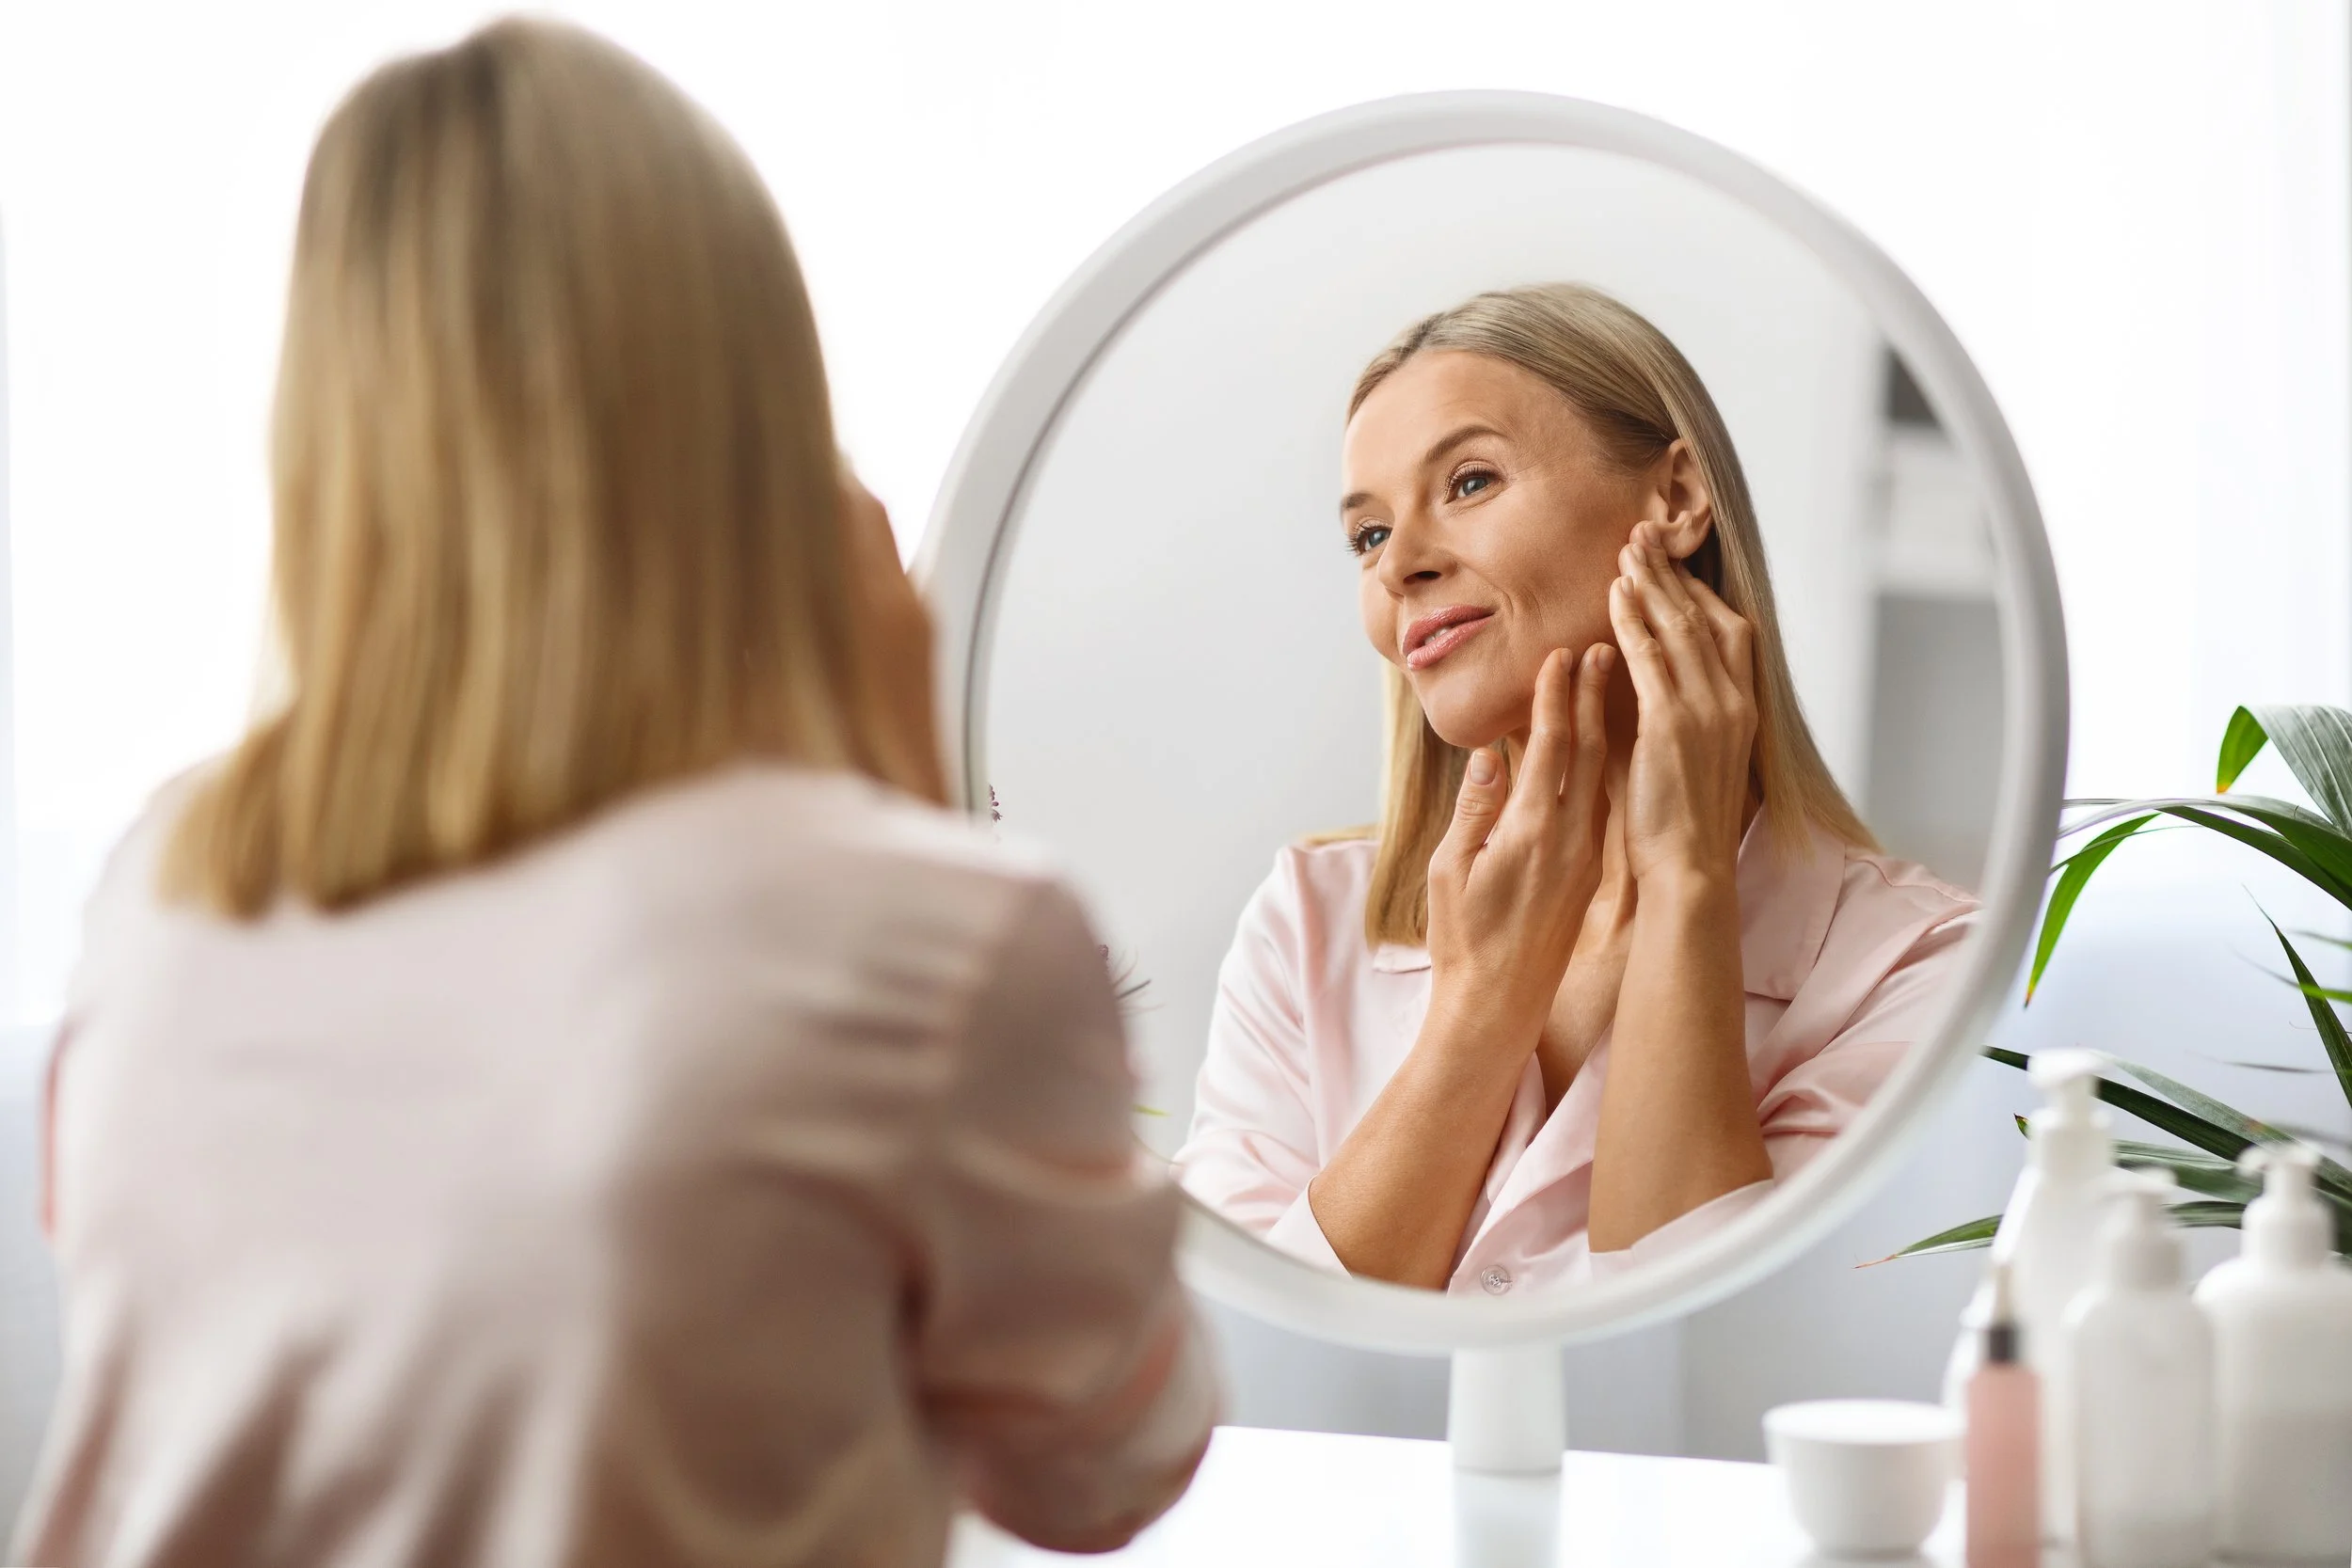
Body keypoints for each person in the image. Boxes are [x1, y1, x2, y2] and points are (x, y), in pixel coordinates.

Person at [18, 20, 1213, 1566]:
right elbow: (1113, 1462)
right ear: (757, 412)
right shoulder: (927, 935)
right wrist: (904, 803)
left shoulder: (163, 883)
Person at [1173, 284, 1975, 1295]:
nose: (1401, 567)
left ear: (1675, 498)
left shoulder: (1914, 966)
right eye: (1368, 536)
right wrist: (1481, 1010)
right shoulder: (1305, 923)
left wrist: (1683, 883)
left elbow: (1711, 1346)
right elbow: (1251, 1345)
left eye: (1467, 481)